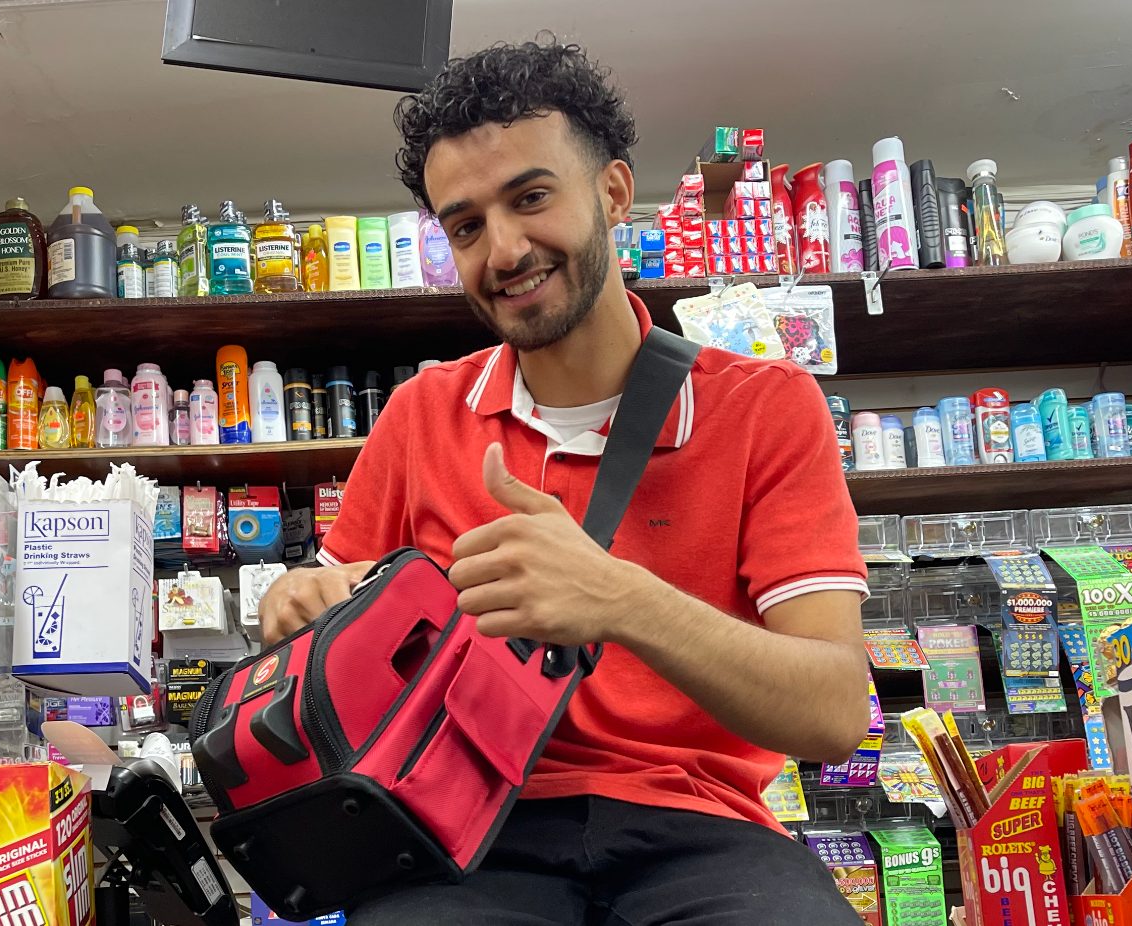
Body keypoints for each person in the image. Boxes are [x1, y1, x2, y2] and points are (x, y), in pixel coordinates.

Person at [258, 37, 871, 925]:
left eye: (531, 198)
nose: (503, 250)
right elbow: (333, 624)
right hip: (463, 836)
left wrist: (621, 600)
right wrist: (300, 606)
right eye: (466, 225)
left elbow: (834, 711)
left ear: (614, 191)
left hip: (702, 830)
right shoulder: (421, 416)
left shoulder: (766, 410)